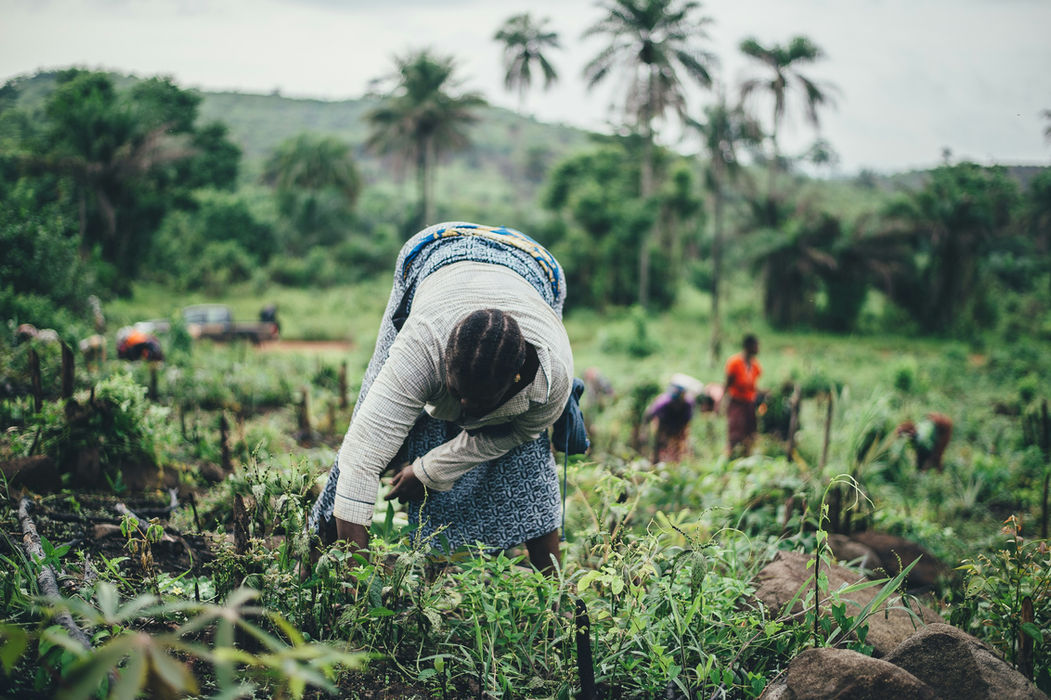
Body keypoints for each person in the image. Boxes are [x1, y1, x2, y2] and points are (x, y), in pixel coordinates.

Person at [308, 222, 574, 574]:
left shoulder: (552, 380)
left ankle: (553, 598)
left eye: (478, 406)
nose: (463, 412)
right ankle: (316, 554)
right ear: (442, 363)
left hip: (537, 268)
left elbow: (513, 435)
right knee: (368, 422)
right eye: (456, 395)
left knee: (527, 459)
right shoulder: (421, 346)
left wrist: (429, 470)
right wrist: (358, 581)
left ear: (515, 383)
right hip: (435, 252)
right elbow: (362, 458)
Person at [722, 334, 762, 455]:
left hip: (749, 403)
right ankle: (730, 456)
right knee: (735, 432)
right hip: (736, 401)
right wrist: (723, 400)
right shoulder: (734, 362)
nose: (758, 348)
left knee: (749, 433)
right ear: (748, 346)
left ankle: (746, 456)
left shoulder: (755, 365)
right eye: (756, 345)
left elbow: (753, 386)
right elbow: (728, 384)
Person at [643, 381, 695, 463]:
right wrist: (644, 432)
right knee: (660, 444)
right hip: (663, 425)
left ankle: (676, 463)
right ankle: (656, 462)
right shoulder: (663, 402)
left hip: (678, 426)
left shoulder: (688, 403)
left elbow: (687, 421)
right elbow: (649, 414)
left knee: (678, 447)